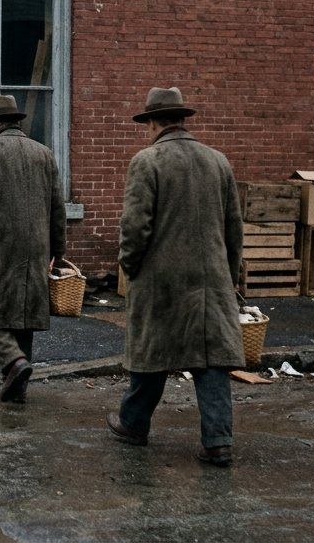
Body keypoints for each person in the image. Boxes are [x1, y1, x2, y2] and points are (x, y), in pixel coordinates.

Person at [108, 86, 245, 468]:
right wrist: (228, 277)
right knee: (211, 359)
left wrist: (129, 267)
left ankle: (133, 424)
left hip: (160, 279)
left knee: (152, 353)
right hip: (211, 280)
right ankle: (218, 441)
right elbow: (234, 229)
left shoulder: (147, 161)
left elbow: (135, 227)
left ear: (152, 122)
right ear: (182, 120)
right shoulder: (218, 161)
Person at [0, 93, 67, 404]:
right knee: (24, 311)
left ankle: (14, 363)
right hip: (37, 244)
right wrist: (57, 251)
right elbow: (57, 207)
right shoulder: (44, 154)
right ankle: (16, 386)